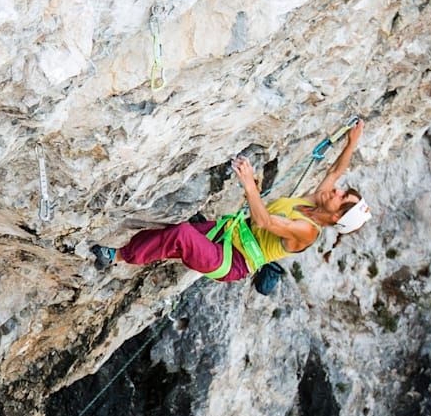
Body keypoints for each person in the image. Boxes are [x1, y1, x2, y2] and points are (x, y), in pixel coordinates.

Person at [90, 119, 371, 294]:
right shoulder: (314, 202)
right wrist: (352, 142)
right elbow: (335, 171)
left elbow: (266, 223)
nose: (336, 190)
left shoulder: (308, 232)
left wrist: (249, 185)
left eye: (341, 197)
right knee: (173, 232)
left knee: (182, 235)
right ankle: (125, 253)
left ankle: (115, 256)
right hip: (227, 233)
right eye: (343, 191)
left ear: (336, 216)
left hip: (232, 262)